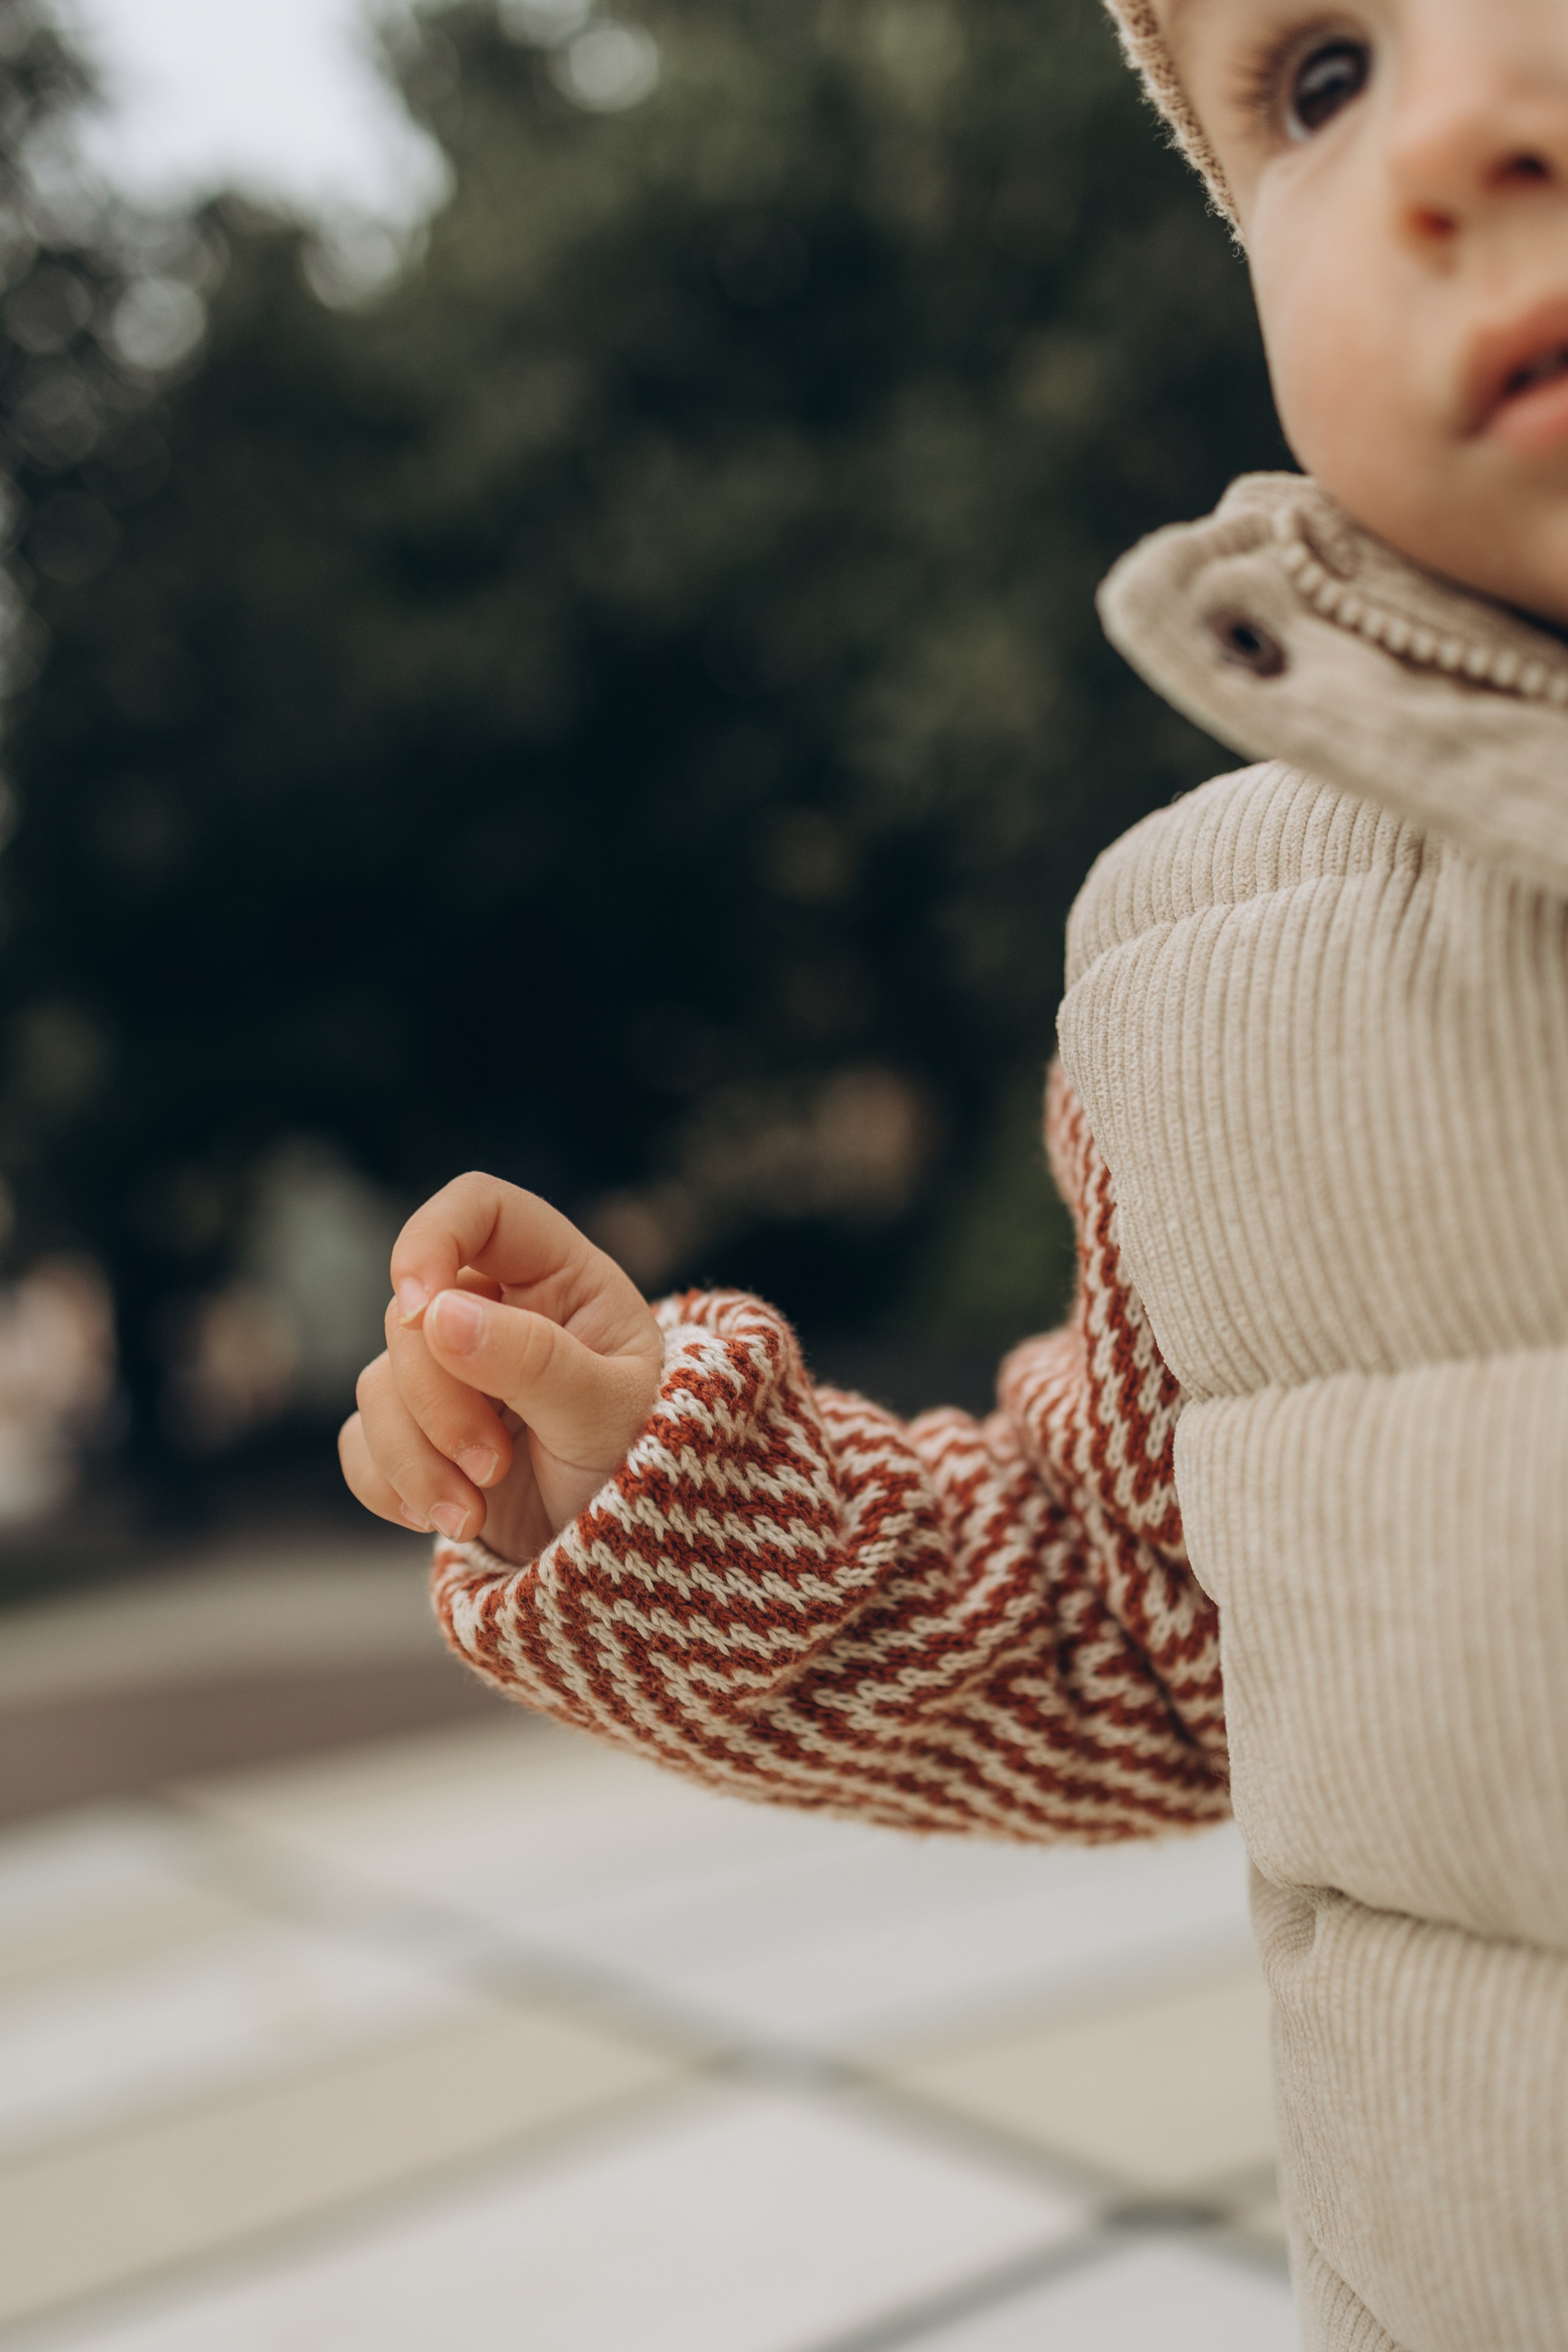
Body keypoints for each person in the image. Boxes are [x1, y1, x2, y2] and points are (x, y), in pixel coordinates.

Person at [339, 1, 1568, 2340]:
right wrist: (671, 1495)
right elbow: (1125, 1626)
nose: (1459, 130)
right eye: (1325, 76)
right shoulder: (1208, 982)